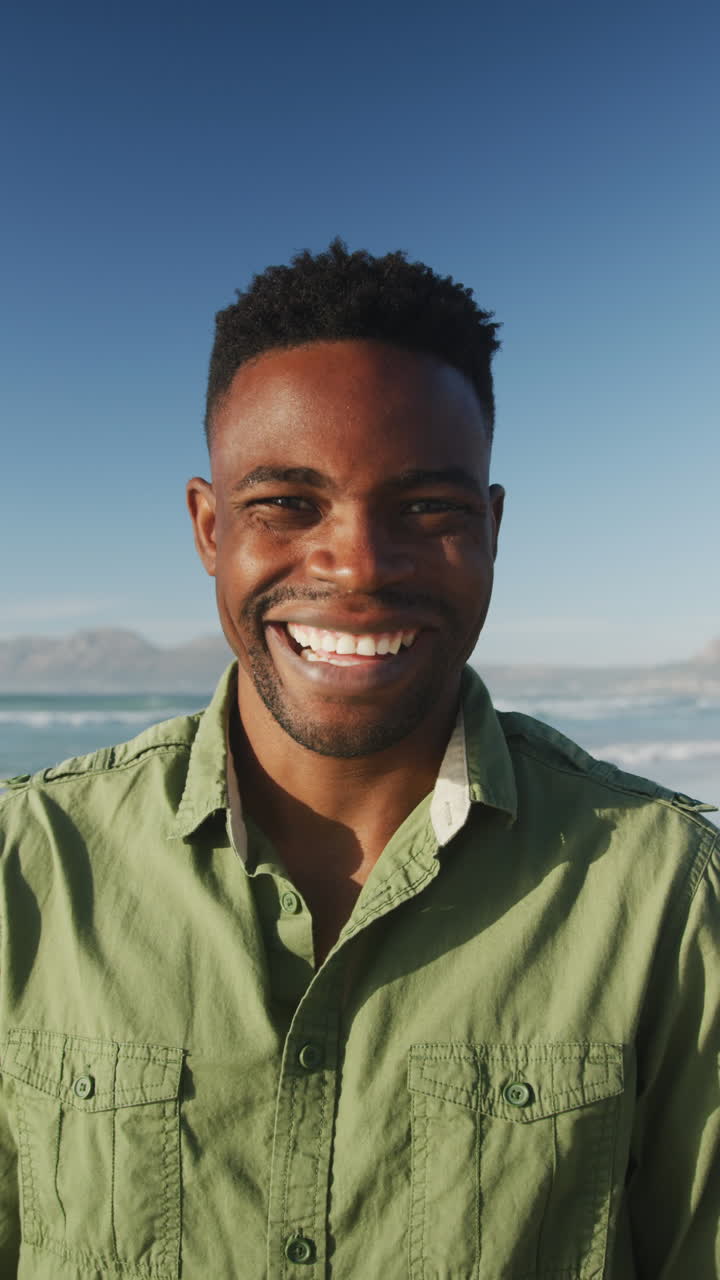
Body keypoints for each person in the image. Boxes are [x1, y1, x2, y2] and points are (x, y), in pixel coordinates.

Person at [0, 240, 717, 1279]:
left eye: (428, 508)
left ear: (493, 528)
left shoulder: (662, 896)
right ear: (210, 527)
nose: (360, 566)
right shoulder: (27, 873)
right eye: (288, 503)